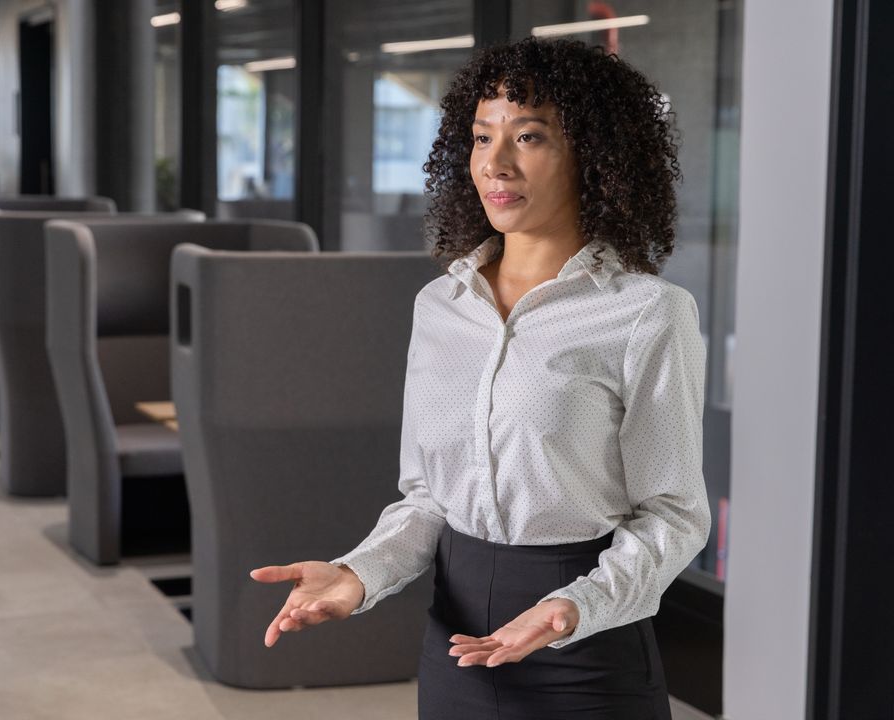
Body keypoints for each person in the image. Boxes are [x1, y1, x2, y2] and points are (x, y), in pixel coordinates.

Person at [250, 36, 710, 719]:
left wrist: (574, 606)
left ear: (592, 154)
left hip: (585, 651)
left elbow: (674, 514)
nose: (496, 163)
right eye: (481, 136)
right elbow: (428, 499)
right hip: (456, 642)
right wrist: (357, 574)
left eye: (528, 136)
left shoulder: (646, 313)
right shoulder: (440, 306)